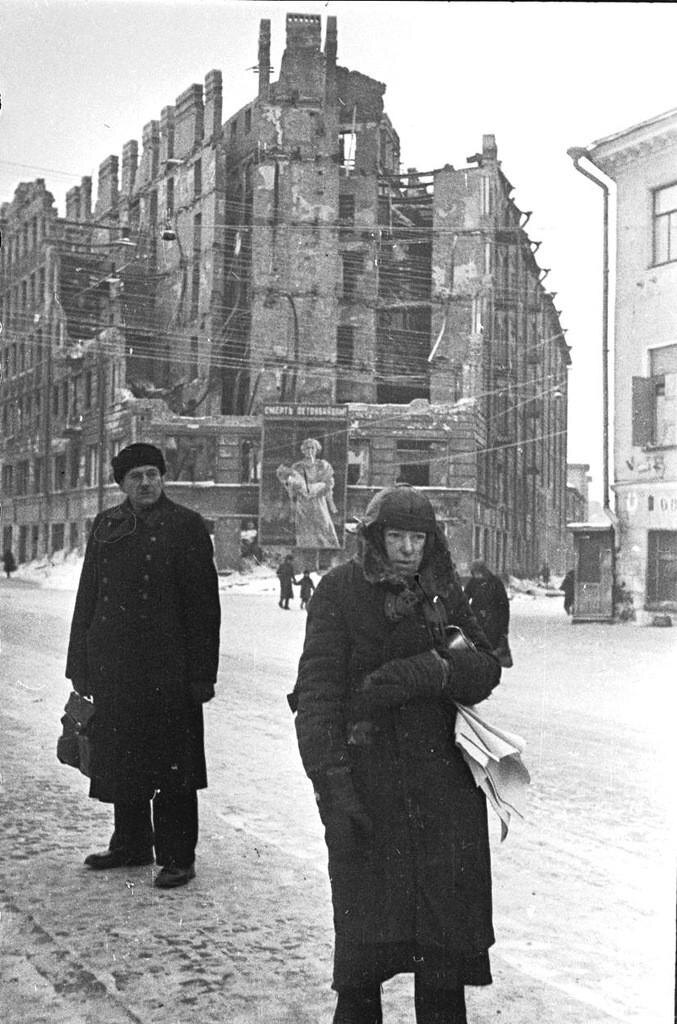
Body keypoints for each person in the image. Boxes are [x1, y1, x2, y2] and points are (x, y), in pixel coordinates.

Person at [290, 485, 501, 1024]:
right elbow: (317, 697)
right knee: (363, 957)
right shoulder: (339, 591)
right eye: (397, 536)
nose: (408, 549)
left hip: (442, 792)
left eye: (418, 538)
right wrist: (332, 784)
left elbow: (487, 666)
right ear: (375, 538)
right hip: (369, 789)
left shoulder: (443, 590)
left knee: (442, 955)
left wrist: (436, 670)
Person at [65, 443, 221, 889]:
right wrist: (79, 662)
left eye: (153, 474)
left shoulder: (187, 525)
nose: (146, 483)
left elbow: (204, 607)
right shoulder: (107, 524)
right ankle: (131, 844)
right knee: (123, 757)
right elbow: (88, 595)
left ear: (163, 477)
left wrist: (202, 674)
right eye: (136, 476)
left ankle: (177, 855)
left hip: (170, 670)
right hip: (115, 666)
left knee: (174, 765)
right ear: (122, 484)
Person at [276, 437, 339, 549]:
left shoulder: (323, 465)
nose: (309, 451)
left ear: (317, 450)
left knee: (324, 526)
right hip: (303, 503)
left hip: (319, 502)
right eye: (307, 448)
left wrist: (331, 503)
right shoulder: (297, 466)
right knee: (305, 529)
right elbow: (291, 488)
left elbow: (328, 485)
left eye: (312, 448)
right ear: (303, 450)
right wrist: (292, 487)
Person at [463, 561, 511, 661]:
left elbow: (504, 607)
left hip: (493, 624)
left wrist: (504, 629)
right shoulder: (473, 582)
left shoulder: (495, 583)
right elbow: (464, 599)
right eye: (473, 573)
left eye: (476, 572)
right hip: (477, 622)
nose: (475, 575)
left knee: (492, 652)